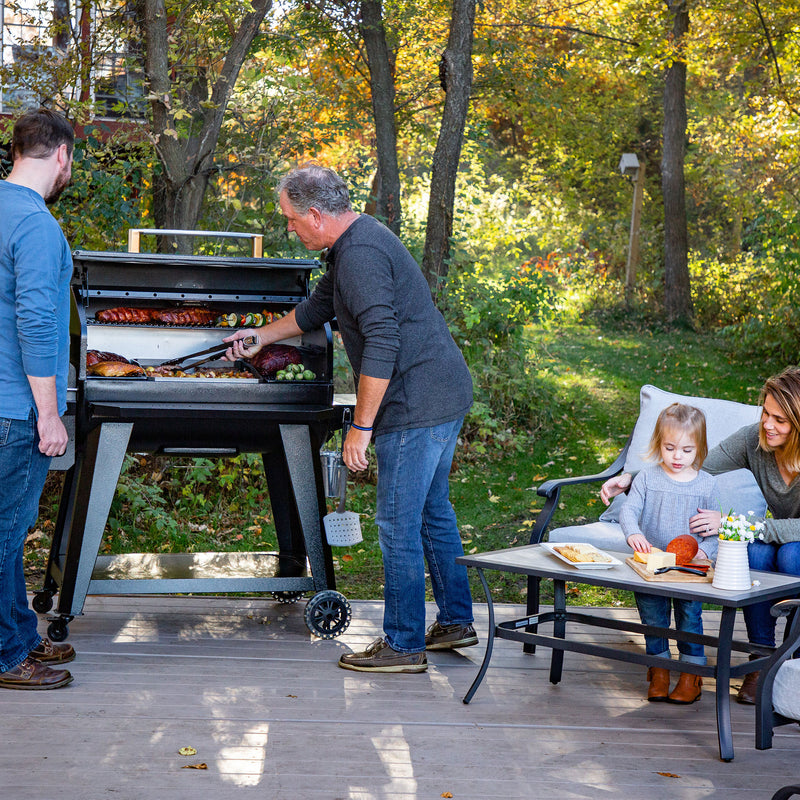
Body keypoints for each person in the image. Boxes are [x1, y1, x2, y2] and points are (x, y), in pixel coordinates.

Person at [225, 164, 476, 673]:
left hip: (415, 404)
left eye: (292, 220)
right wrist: (264, 337)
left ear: (316, 214)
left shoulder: (358, 254)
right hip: (444, 392)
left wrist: (361, 427)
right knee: (433, 512)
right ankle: (455, 621)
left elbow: (383, 341)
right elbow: (319, 307)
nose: (289, 228)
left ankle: (404, 645)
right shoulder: (354, 241)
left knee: (397, 523)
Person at [602, 366, 800, 704]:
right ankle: (761, 659)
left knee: (791, 553)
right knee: (758, 553)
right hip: (779, 537)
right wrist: (632, 478)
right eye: (766, 413)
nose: (768, 424)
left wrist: (736, 525)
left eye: (780, 420)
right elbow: (694, 466)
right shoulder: (756, 439)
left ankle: (792, 661)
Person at [0, 108, 76, 689]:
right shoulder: (36, 224)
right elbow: (35, 321)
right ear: (61, 155)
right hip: (14, 407)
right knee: (4, 535)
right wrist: (48, 414)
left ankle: (21, 634)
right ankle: (6, 655)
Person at [619, 403, 718, 704]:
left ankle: (691, 674)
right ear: (658, 444)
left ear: (699, 448)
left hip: (690, 569)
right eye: (670, 447)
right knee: (653, 617)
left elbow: (712, 532)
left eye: (687, 450)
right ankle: (659, 670)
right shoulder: (648, 479)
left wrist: (702, 551)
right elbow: (629, 510)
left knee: (689, 616)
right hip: (653, 565)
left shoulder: (707, 484)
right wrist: (633, 533)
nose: (677, 457)